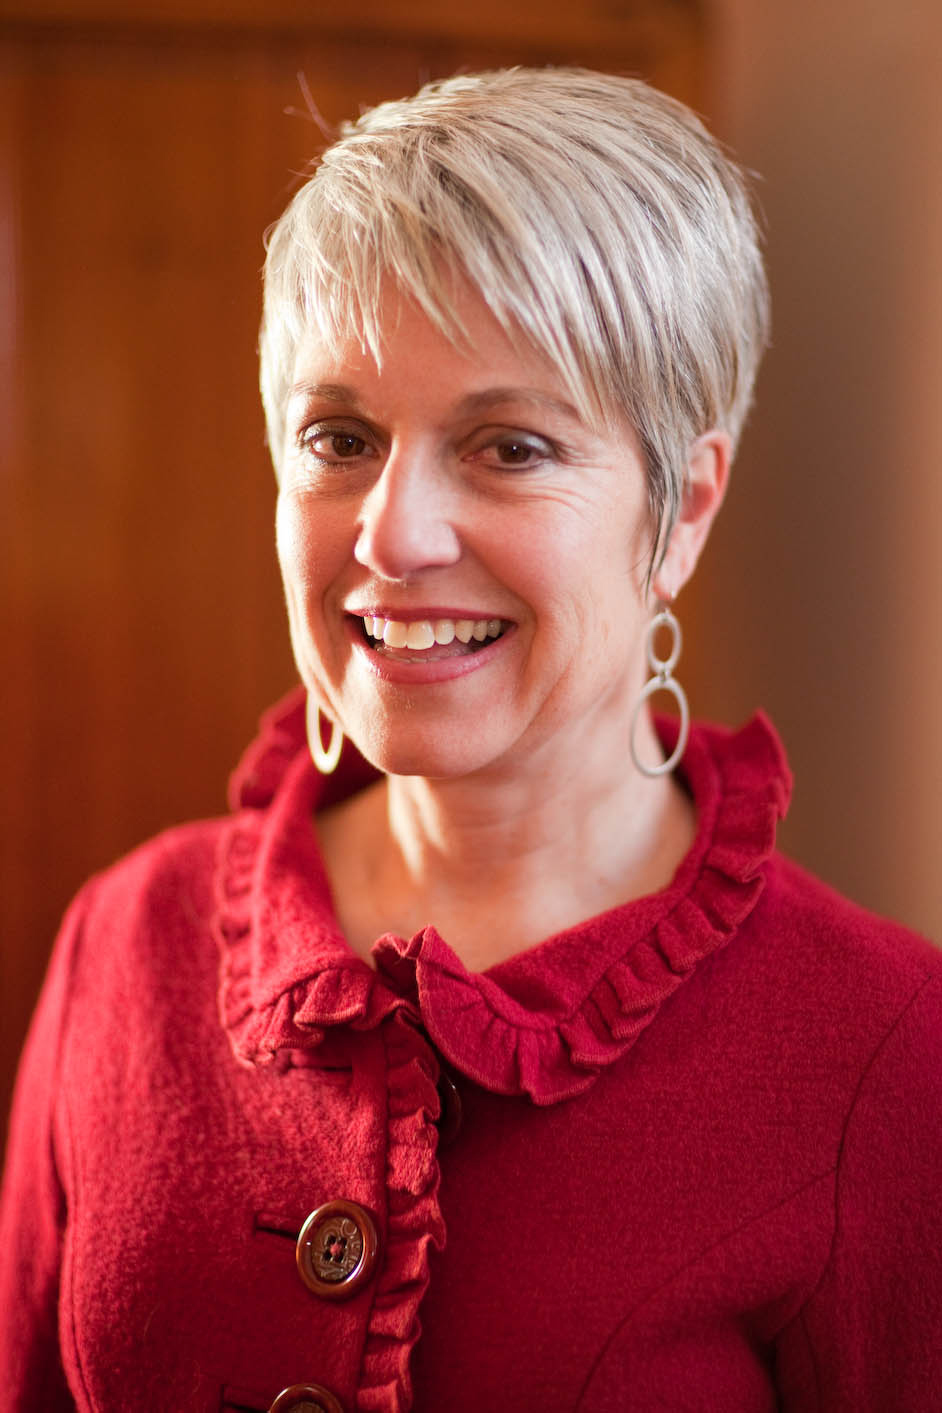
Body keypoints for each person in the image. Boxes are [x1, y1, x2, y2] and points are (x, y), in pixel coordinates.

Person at [2, 66, 940, 1413]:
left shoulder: (883, 1050)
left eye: (508, 447)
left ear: (681, 511)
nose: (392, 535)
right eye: (340, 437)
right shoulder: (124, 939)